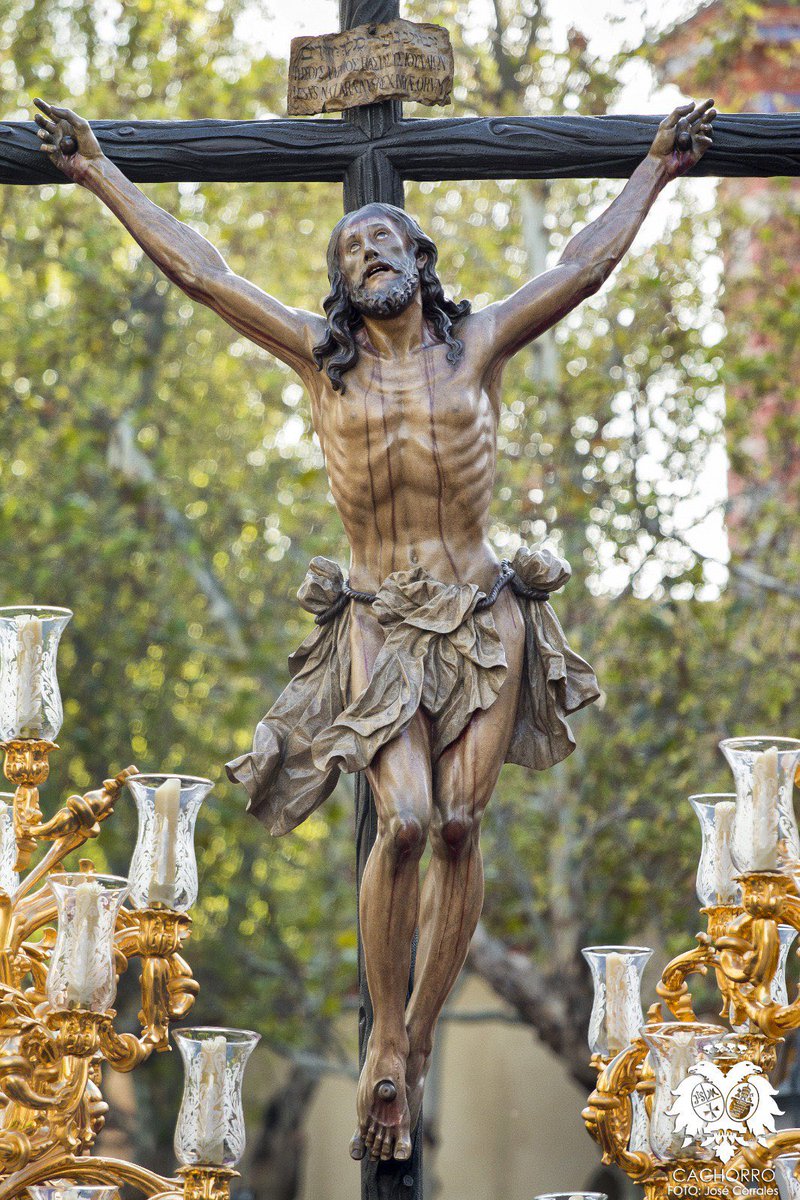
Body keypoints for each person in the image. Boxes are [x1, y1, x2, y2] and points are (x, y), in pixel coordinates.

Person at [34, 94, 715, 1163]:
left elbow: (579, 270)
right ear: (339, 278)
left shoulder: (476, 342)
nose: (367, 254)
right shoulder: (321, 359)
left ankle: (413, 1040)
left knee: (455, 824)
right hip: (378, 622)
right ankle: (383, 1036)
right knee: (400, 820)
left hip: (484, 615)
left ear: (418, 257)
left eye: (383, 239)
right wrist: (99, 172)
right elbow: (202, 273)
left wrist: (654, 167)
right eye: (350, 249)